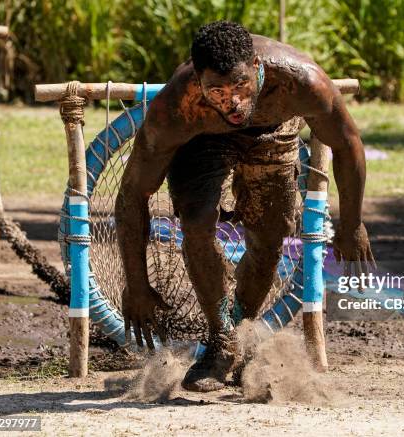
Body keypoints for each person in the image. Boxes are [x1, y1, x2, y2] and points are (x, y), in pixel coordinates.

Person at [115, 20, 374, 392]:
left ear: (255, 66)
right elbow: (131, 195)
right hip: (204, 139)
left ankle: (240, 331)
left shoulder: (301, 82)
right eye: (216, 91)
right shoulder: (178, 106)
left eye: (240, 85)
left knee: (270, 236)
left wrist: (352, 224)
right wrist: (136, 284)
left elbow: (348, 143)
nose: (232, 102)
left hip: (273, 133)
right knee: (196, 223)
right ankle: (221, 340)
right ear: (199, 84)